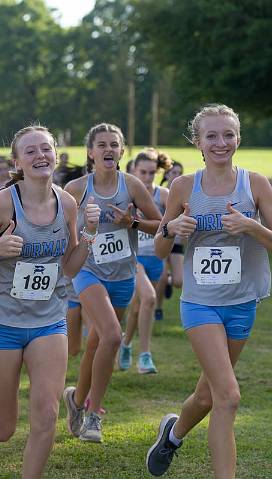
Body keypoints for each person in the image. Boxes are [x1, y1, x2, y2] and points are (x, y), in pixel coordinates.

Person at [0, 124, 100, 479]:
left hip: (48, 320)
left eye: (46, 149)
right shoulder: (2, 203)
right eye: (31, 151)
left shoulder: (66, 202)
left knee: (47, 414)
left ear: (56, 154)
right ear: (17, 161)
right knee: (3, 430)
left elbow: (67, 268)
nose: (40, 156)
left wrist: (88, 236)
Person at [147, 104, 272, 477]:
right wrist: (172, 230)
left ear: (238, 138)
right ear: (198, 142)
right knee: (228, 396)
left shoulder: (258, 184)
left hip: (242, 302)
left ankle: (173, 434)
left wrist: (252, 228)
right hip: (201, 303)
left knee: (207, 394)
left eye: (228, 134)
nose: (222, 142)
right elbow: (159, 247)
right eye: (212, 136)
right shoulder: (185, 187)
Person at [62, 123, 162, 443]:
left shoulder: (131, 185)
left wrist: (131, 221)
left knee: (99, 342)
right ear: (90, 152)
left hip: (123, 274)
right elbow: (56, 226)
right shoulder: (77, 189)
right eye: (101, 145)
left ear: (122, 151)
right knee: (112, 335)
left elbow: (160, 224)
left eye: (114, 145)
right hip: (88, 271)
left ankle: (76, 400)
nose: (108, 150)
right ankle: (93, 414)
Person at [119, 148, 171, 374]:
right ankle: (145, 356)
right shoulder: (126, 195)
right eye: (143, 172)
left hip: (156, 258)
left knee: (139, 307)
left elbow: (171, 226)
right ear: (132, 170)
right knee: (149, 298)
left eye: (152, 172)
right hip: (133, 257)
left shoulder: (164, 195)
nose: (148, 177)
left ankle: (125, 344)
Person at [157, 160, 185, 314]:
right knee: (160, 278)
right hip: (162, 240)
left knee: (178, 282)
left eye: (179, 173)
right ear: (166, 174)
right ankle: (158, 308)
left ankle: (169, 279)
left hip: (178, 242)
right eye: (174, 172)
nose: (177, 176)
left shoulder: (184, 193)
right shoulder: (160, 194)